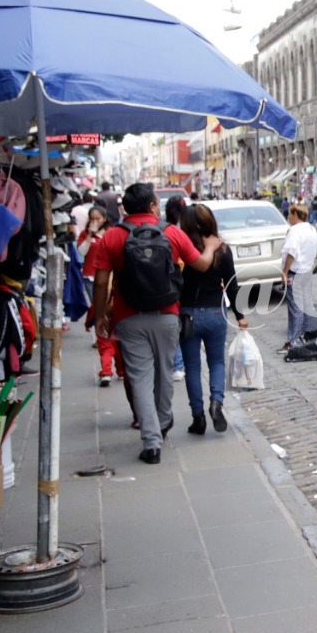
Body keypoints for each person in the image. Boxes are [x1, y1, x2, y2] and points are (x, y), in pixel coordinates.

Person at [88, 183, 222, 464]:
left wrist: (100, 315)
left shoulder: (112, 236)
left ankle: (152, 443)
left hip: (129, 318)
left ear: (124, 208)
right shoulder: (171, 233)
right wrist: (210, 246)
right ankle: (162, 421)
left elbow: (100, 281)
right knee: (165, 372)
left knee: (139, 378)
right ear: (152, 206)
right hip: (167, 315)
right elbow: (201, 265)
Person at [178, 204, 247, 435]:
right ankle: (216, 403)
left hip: (188, 314)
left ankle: (198, 417)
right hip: (216, 313)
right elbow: (232, 286)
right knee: (216, 362)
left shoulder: (182, 251)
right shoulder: (222, 250)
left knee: (192, 366)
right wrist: (240, 315)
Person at [77, 206, 113, 385]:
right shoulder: (86, 235)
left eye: (98, 219)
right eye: (92, 218)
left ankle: (105, 333)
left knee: (108, 308)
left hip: (108, 278)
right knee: (96, 307)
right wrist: (90, 235)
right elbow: (81, 252)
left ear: (104, 219)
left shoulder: (110, 234)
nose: (95, 222)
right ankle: (101, 333)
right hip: (90, 276)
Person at [280, 202, 317, 352]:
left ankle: (293, 341)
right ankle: (307, 337)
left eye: (290, 214)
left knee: (295, 308)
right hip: (307, 271)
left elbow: (292, 252)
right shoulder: (311, 229)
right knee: (306, 305)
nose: (289, 217)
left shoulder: (295, 230)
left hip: (295, 272)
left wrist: (284, 271)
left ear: (295, 215)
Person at [164, 195, 188, 381]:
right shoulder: (185, 231)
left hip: (169, 284)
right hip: (181, 284)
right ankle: (179, 364)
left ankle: (177, 364)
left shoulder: (165, 230)